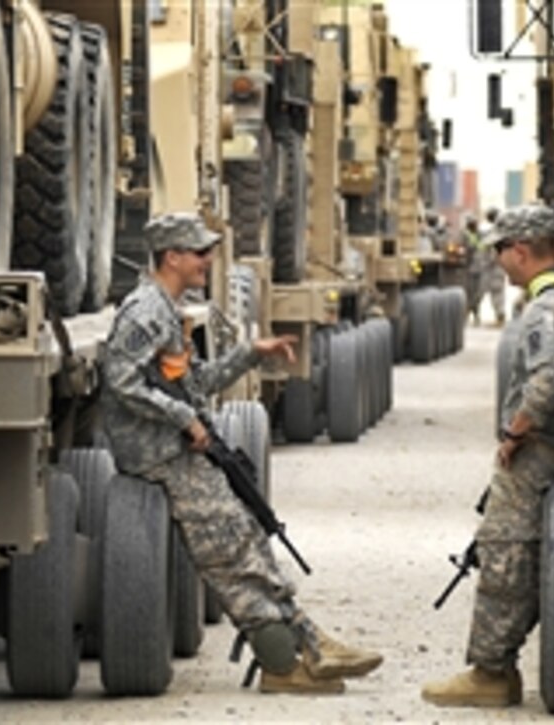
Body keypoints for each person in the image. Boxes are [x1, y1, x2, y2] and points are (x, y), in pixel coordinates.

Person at [102, 211, 383, 695]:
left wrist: (253, 352)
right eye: (199, 253)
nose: (208, 261)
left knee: (247, 535)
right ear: (172, 256)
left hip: (173, 446)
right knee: (231, 549)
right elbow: (121, 380)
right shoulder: (145, 311)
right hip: (156, 452)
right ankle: (283, 660)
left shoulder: (167, 309)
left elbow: (197, 383)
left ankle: (308, 643)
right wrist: (183, 418)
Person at [421, 204, 554, 708]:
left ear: (521, 251)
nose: (499, 259)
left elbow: (549, 381)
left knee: (504, 556)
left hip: (541, 453)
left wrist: (515, 431)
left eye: (502, 249)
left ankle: (491, 672)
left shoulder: (546, 308)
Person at [475, 207, 507, 325]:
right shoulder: (502, 231)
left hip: (492, 268)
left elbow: (488, 252)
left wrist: (485, 262)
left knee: (488, 292)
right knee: (496, 293)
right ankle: (499, 316)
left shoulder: (493, 233)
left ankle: (498, 316)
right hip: (497, 268)